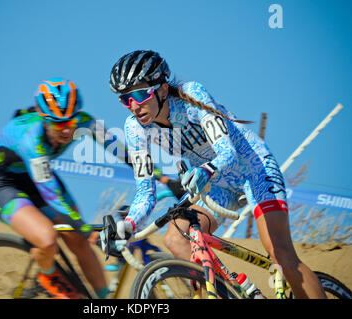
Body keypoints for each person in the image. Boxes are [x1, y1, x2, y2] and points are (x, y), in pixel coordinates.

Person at [107, 50, 327, 299]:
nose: (133, 106)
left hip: (253, 170)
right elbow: (145, 191)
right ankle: (231, 293)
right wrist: (129, 224)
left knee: (281, 255)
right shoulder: (135, 128)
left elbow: (228, 153)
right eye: (125, 99)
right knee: (176, 239)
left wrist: (205, 170)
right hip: (216, 186)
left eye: (139, 94)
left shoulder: (191, 95)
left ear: (163, 89)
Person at [0, 77, 129, 299]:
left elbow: (120, 150)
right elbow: (51, 195)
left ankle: (103, 301)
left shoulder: (84, 122)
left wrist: (162, 178)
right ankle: (47, 276)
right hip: (2, 184)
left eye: (70, 122)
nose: (67, 131)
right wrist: (88, 231)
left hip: (36, 176)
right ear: (43, 119)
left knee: (78, 241)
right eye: (58, 124)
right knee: (48, 239)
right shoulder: (30, 138)